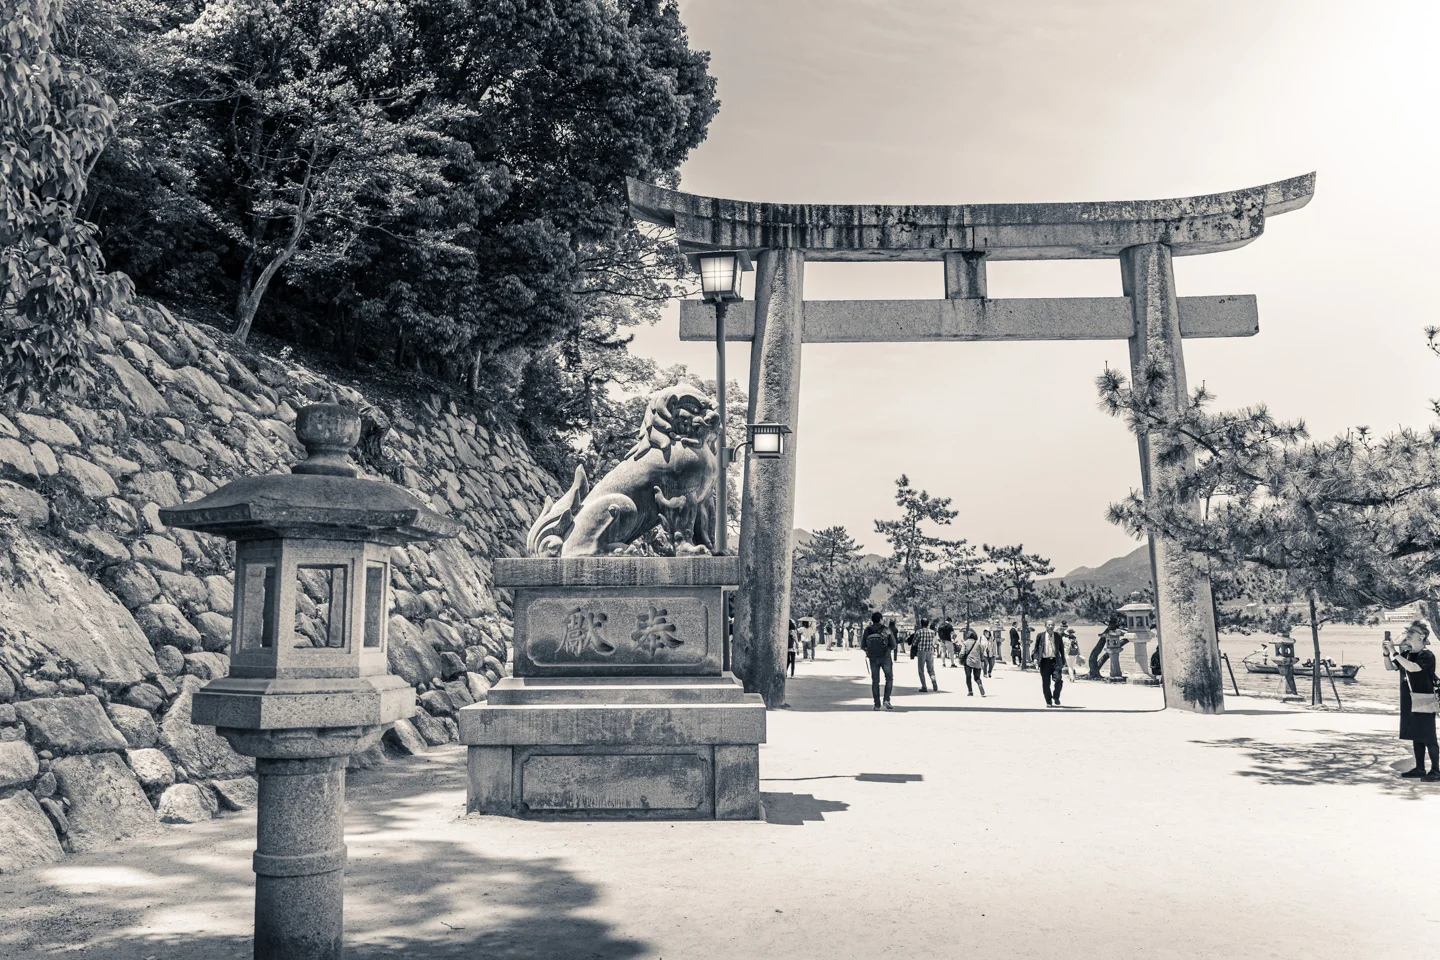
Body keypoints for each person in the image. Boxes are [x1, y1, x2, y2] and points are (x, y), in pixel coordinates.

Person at [1385, 620, 1440, 780]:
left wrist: (1394, 652)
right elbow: (1390, 667)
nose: (1407, 636)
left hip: (1425, 698)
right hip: (1409, 699)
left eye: (1411, 634)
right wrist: (1386, 653)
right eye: (1407, 633)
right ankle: (1420, 769)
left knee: (1428, 736)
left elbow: (1413, 668)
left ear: (1422, 636)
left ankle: (1436, 771)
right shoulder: (1406, 655)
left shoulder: (1427, 655)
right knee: (1417, 735)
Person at [861, 612, 896, 710]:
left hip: (873, 658)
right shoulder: (886, 629)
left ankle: (877, 704)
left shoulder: (868, 630)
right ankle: (886, 700)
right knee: (889, 678)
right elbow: (893, 645)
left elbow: (863, 645)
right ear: (881, 619)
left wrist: (869, 652)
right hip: (885, 658)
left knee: (875, 681)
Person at [1032, 618, 1069, 707]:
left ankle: (1056, 697)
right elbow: (1036, 649)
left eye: (1052, 625)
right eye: (1049, 625)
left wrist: (1063, 661)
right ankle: (1048, 701)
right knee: (1046, 683)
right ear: (1045, 626)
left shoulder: (1058, 636)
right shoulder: (1040, 636)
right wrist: (1036, 658)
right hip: (1044, 662)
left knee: (1058, 680)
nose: (1051, 626)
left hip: (1055, 661)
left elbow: (1061, 650)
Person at [912, 618, 940, 692]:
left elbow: (914, 642)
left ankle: (924, 686)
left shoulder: (919, 632)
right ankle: (934, 681)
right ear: (928, 624)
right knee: (931, 669)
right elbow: (934, 642)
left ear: (921, 624)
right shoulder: (932, 632)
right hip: (930, 651)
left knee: (921, 670)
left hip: (921, 652)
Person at [960, 628, 986, 696]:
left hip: (968, 662)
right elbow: (982, 654)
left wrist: (960, 658)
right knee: (977, 677)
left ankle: (970, 691)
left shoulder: (965, 643)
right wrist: (982, 660)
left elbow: (962, 653)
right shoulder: (978, 643)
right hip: (977, 662)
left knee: (968, 677)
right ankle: (979, 684)